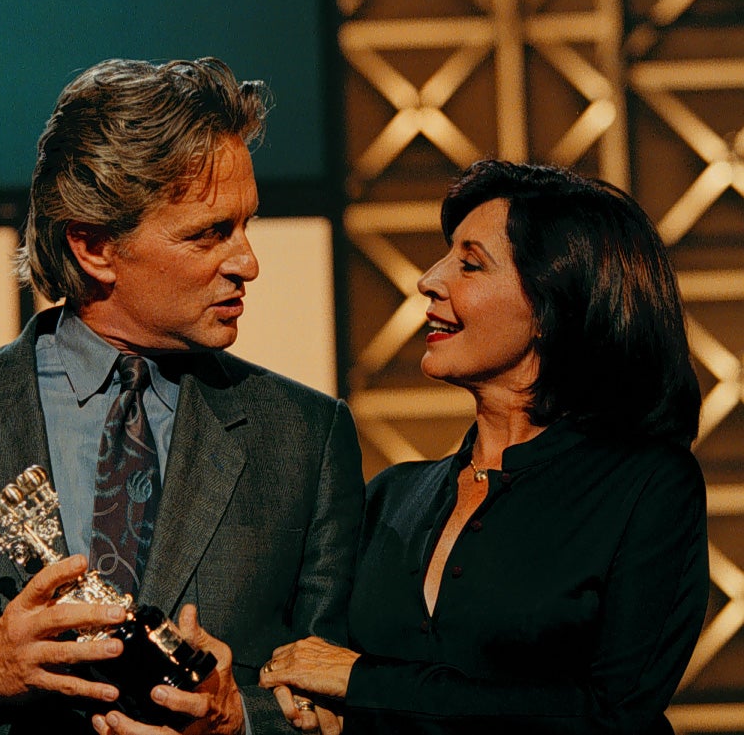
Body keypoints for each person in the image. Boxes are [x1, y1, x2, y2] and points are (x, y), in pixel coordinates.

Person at [0, 57, 365, 735]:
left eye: (246, 225)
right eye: (209, 233)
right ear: (94, 247)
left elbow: (347, 699)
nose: (248, 262)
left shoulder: (305, 438)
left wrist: (239, 719)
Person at [259, 160, 710, 734]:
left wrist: (365, 682)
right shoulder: (393, 494)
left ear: (551, 307)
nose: (429, 279)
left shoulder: (648, 486)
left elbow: (611, 713)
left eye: (469, 264)